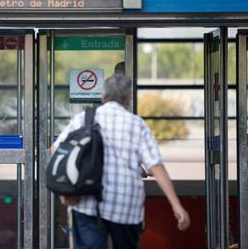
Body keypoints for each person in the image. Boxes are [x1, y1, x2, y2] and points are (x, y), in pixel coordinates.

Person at [52, 74, 190, 249]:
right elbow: (155, 165)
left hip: (87, 203)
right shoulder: (136, 124)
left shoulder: (84, 119)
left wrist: (66, 190)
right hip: (126, 206)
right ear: (127, 99)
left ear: (103, 96)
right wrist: (176, 206)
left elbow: (57, 150)